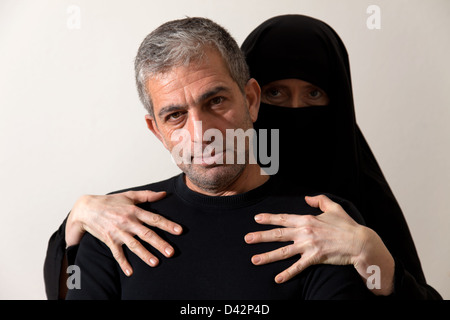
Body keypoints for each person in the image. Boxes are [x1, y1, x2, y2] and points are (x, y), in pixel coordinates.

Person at [44, 15, 442, 299]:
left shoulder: (328, 228)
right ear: (157, 130)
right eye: (175, 115)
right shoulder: (114, 224)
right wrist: (75, 222)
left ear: (248, 100)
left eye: (216, 101)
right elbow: (69, 284)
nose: (202, 133)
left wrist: (374, 259)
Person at [241, 14, 441, 299]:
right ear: (249, 98)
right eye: (275, 93)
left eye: (313, 93)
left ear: (338, 102)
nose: (296, 108)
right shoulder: (222, 184)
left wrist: (368, 253)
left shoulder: (364, 196)